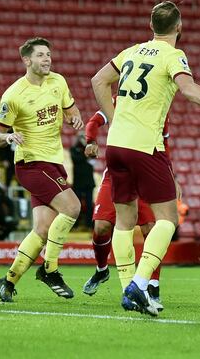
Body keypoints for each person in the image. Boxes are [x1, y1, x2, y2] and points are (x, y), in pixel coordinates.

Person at [91, 1, 200, 316]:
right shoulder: (174, 55)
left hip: (115, 144)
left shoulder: (130, 51)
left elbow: (97, 81)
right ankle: (139, 284)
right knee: (168, 220)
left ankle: (128, 287)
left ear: (150, 27)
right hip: (145, 145)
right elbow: (186, 87)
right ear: (179, 26)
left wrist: (114, 117)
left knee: (125, 220)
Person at [0, 37, 84, 302]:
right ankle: (50, 270)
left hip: (54, 162)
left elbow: (70, 108)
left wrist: (74, 116)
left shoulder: (59, 81)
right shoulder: (14, 95)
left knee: (42, 230)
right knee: (73, 208)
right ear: (27, 60)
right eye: (41, 55)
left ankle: (7, 281)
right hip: (31, 164)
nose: (47, 59)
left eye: (48, 55)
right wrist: (8, 138)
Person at [80, 107, 171, 312]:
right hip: (117, 173)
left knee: (151, 228)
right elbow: (93, 122)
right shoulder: (119, 99)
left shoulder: (161, 105)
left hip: (147, 172)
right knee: (102, 227)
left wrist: (170, 174)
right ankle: (102, 269)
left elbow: (164, 144)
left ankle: (151, 287)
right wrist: (91, 141)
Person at [70, 133, 95, 228]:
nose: (83, 139)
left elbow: (93, 158)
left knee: (89, 204)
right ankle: (75, 224)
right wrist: (86, 155)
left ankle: (89, 224)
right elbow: (76, 159)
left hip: (89, 182)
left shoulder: (89, 149)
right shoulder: (73, 149)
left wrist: (87, 147)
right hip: (78, 182)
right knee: (77, 204)